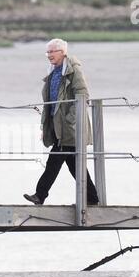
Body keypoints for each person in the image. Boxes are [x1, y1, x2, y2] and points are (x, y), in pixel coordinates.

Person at [24, 38, 99, 205]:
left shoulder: (73, 70)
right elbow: (50, 104)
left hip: (70, 127)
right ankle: (93, 199)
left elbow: (83, 95)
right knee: (75, 166)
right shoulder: (54, 70)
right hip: (58, 126)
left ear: (63, 52)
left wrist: (70, 120)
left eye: (52, 52)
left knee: (54, 162)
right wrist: (47, 126)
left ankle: (40, 195)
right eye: (47, 52)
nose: (48, 55)